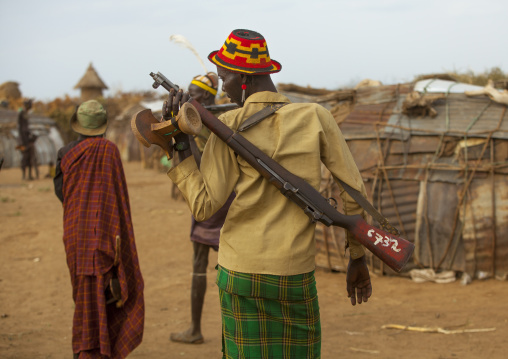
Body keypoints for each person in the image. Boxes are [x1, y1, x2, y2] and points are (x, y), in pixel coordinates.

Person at [165, 29, 372, 358]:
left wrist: (177, 147)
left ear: (242, 77)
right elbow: (353, 192)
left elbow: (204, 206)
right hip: (292, 274)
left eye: (225, 78)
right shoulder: (317, 117)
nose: (225, 87)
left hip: (239, 273)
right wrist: (358, 257)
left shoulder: (228, 124)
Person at [53, 100, 144, 359]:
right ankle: (98, 349)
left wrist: (82, 208)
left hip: (75, 233)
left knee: (83, 292)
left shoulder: (65, 153)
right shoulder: (110, 150)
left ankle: (86, 347)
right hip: (106, 234)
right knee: (104, 291)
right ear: (102, 127)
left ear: (78, 126)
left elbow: (62, 193)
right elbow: (118, 195)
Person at [170, 73, 235, 345]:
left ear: (206, 97)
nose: (190, 99)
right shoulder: (218, 120)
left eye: (194, 95)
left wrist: (182, 135)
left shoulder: (209, 124)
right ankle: (227, 330)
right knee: (229, 264)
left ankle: (197, 330)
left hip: (213, 199)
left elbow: (200, 164)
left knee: (211, 264)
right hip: (224, 199)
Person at [17, 99, 39, 180]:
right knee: (24, 158)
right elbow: (20, 129)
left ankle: (29, 175)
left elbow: (25, 129)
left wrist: (31, 134)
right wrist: (21, 142)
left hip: (27, 140)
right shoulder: (21, 113)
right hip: (23, 141)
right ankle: (24, 176)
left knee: (30, 158)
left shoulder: (26, 114)